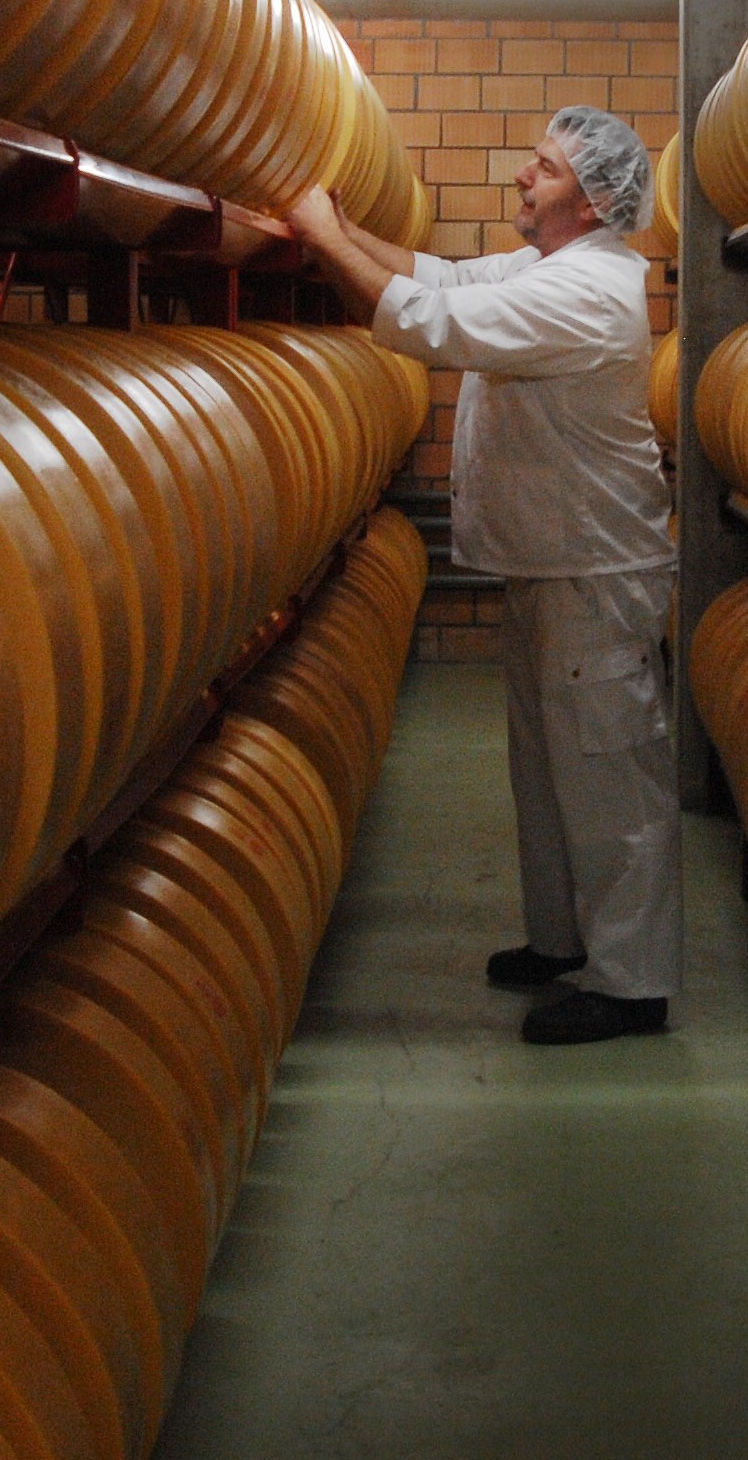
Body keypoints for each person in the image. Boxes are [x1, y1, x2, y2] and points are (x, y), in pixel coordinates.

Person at [289, 106, 679, 1045]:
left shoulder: (585, 293)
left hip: (594, 569)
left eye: (542, 170)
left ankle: (630, 985)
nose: (521, 177)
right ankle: (560, 942)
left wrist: (312, 234)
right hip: (550, 562)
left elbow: (430, 322)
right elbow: (443, 274)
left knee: (607, 776)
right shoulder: (555, 266)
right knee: (546, 771)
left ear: (588, 204)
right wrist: (341, 227)